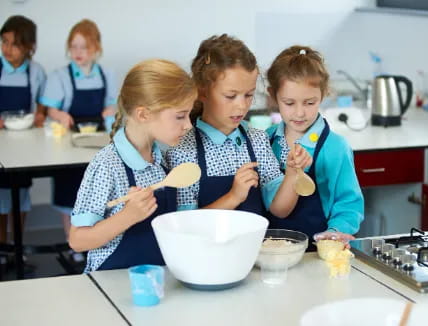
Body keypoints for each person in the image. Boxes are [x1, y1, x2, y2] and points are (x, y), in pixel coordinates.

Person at [68, 59, 197, 272]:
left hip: (162, 280)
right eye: (180, 116)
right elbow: (78, 240)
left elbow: (184, 223)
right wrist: (128, 216)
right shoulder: (107, 165)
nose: (188, 125)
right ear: (143, 114)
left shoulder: (169, 159)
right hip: (112, 285)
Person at [167, 34, 311, 218]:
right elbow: (183, 224)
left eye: (248, 95)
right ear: (202, 91)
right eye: (230, 96)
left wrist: (292, 175)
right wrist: (233, 197)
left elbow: (280, 210)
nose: (242, 106)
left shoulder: (258, 141)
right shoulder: (182, 150)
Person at [265, 45, 364, 250]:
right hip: (271, 252)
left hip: (317, 251)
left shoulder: (335, 147)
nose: (300, 113)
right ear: (273, 96)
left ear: (324, 94)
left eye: (309, 102)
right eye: (289, 103)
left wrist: (335, 232)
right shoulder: (266, 140)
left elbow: (348, 204)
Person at [40, 19, 117, 262]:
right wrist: (59, 114)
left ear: (96, 48)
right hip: (68, 143)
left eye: (83, 47)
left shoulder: (107, 74)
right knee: (69, 192)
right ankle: (73, 244)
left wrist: (110, 110)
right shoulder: (59, 76)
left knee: (97, 191)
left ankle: (94, 241)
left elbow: (114, 104)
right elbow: (50, 108)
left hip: (96, 143)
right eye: (73, 47)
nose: (78, 53)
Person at [0, 15, 47, 261]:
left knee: (20, 195)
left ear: (29, 47)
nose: (7, 49)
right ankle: (2, 247)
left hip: (24, 143)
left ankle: (17, 248)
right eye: (4, 42)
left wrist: (39, 116)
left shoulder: (36, 72)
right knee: (0, 198)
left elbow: (41, 106)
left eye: (15, 44)